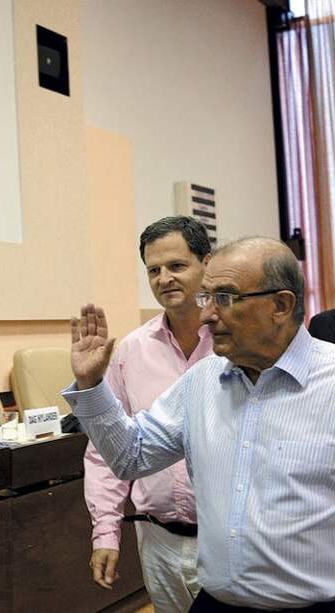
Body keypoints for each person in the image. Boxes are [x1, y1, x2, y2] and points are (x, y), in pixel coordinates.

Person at [64, 237, 335, 611]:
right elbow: (131, 457)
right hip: (217, 602)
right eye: (206, 297)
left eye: (224, 298)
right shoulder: (202, 381)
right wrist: (92, 387)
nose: (207, 315)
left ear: (281, 304)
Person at [84, 217, 211, 611]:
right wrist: (105, 531)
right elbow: (106, 449)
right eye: (153, 270)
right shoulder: (131, 352)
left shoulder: (235, 345)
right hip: (157, 541)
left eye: (177, 266)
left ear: (207, 263)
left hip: (227, 540)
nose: (164, 278)